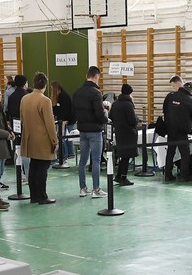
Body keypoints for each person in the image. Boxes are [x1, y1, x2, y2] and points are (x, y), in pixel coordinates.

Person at [20, 72, 59, 204]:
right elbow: (50, 123)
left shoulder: (24, 99)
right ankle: (42, 196)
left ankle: (34, 196)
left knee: (33, 167)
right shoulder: (45, 100)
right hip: (43, 140)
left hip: (29, 138)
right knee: (43, 169)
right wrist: (55, 140)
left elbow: (22, 119)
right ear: (45, 85)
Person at [72, 66, 108, 198]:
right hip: (95, 130)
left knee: (83, 160)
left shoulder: (77, 92)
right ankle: (96, 189)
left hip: (82, 130)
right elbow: (100, 113)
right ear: (96, 76)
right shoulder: (96, 93)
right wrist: (106, 117)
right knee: (96, 160)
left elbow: (74, 112)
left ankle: (83, 188)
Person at [162, 75, 192, 182]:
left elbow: (164, 110)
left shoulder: (170, 96)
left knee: (170, 152)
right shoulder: (189, 100)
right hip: (182, 130)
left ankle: (168, 174)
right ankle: (184, 175)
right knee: (185, 153)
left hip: (170, 128)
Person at [109, 83, 139, 187]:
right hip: (129, 133)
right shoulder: (128, 104)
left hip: (119, 133)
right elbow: (133, 120)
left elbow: (111, 117)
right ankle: (123, 177)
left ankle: (119, 176)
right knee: (126, 156)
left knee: (122, 156)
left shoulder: (115, 103)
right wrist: (137, 119)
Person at [50, 80, 75, 166]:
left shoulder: (63, 96)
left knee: (63, 138)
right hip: (64, 120)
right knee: (64, 138)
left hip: (67, 120)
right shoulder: (60, 96)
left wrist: (63, 121)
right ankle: (68, 154)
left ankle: (64, 157)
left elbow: (64, 111)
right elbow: (56, 109)